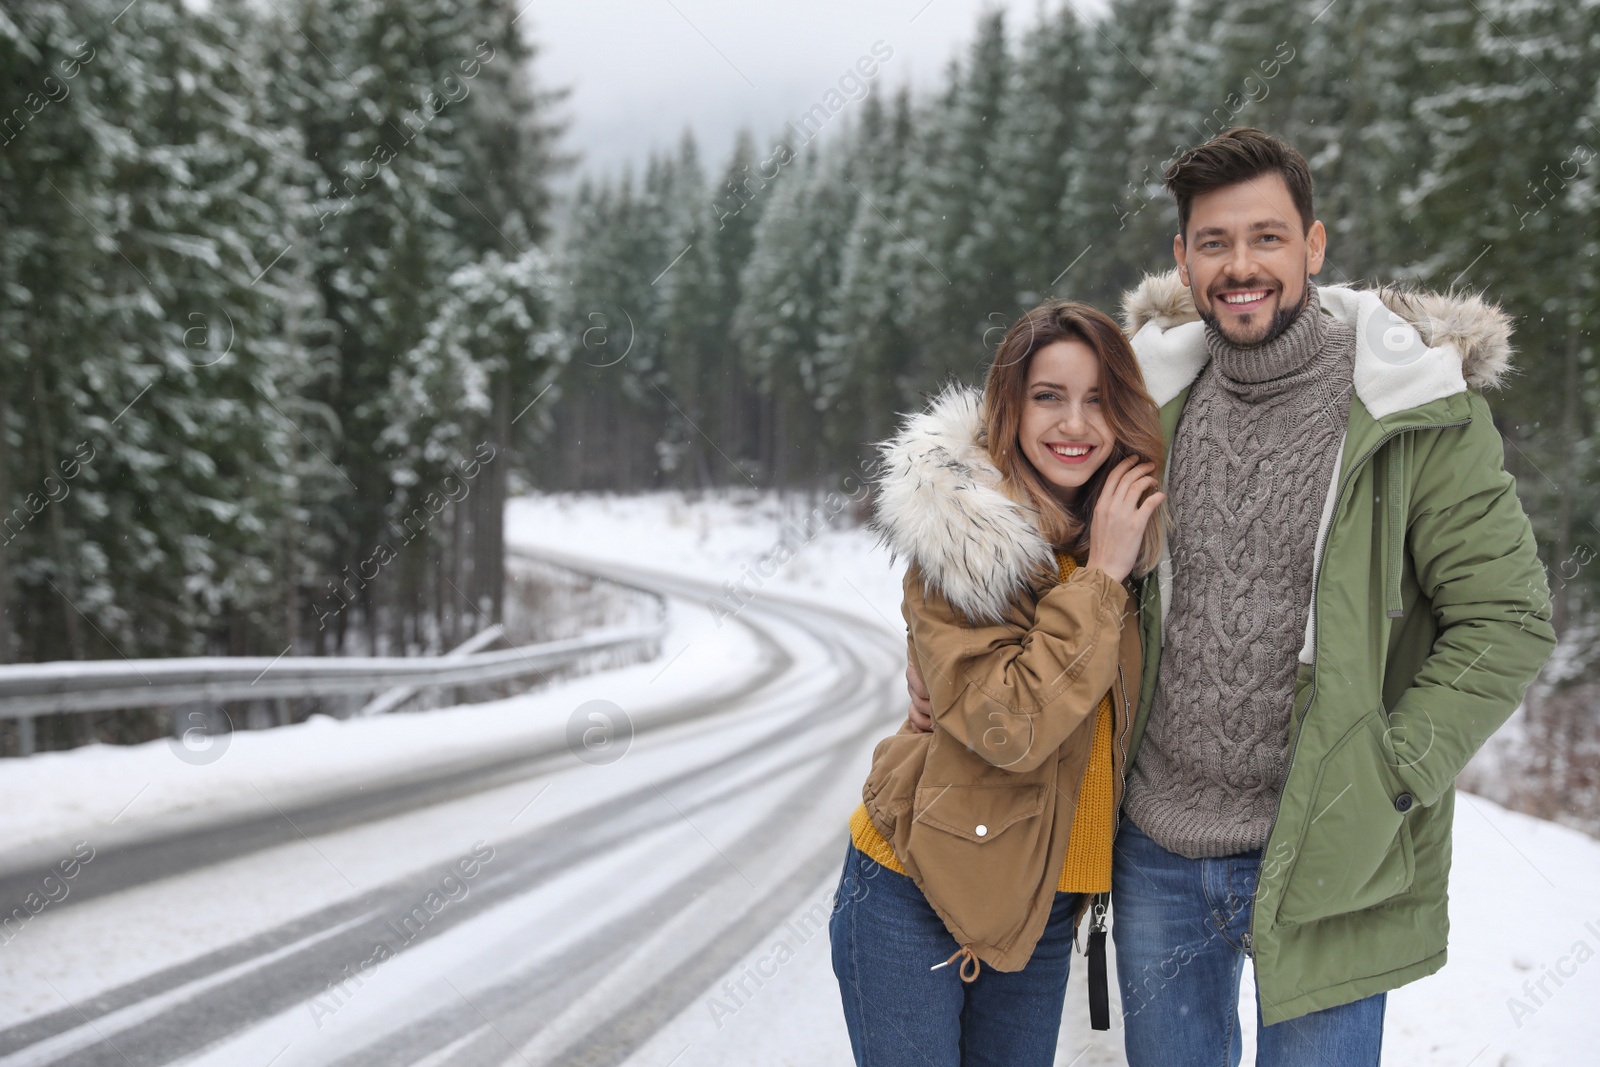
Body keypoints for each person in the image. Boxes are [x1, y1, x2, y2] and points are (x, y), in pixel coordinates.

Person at [905, 128, 1557, 1066]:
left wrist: (1391, 769)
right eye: (1214, 243)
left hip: (1333, 847)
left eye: (1267, 238)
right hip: (1159, 848)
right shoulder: (1147, 397)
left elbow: (1507, 619)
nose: (1240, 266)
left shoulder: (1413, 410)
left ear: (1314, 246)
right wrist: (930, 646)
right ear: (1183, 257)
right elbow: (1000, 508)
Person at [829, 300, 1167, 1067]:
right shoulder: (967, 542)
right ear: (1008, 406)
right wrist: (1103, 581)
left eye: (1097, 398)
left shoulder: (1127, 541)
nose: (1073, 423)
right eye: (1048, 395)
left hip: (1041, 909)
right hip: (913, 890)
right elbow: (1008, 724)